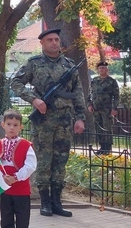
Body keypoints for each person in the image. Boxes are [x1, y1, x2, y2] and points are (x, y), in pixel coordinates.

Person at [10, 28, 86, 217]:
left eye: (57, 39)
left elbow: (78, 93)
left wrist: (80, 118)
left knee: (61, 160)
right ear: (42, 43)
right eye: (50, 40)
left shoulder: (69, 65)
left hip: (65, 121)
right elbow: (15, 82)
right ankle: (45, 202)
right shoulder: (34, 64)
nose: (54, 42)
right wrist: (33, 99)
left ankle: (56, 202)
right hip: (43, 121)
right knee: (44, 160)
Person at [0, 109, 37, 228]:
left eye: (15, 125)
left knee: (22, 217)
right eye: (9, 124)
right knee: (6, 216)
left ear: (20, 127)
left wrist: (16, 177)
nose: (12, 127)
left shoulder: (26, 145)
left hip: (21, 188)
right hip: (6, 187)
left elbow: (30, 165)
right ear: (3, 125)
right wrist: (1, 177)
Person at [89, 61, 120, 155]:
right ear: (98, 70)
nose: (102, 69)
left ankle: (107, 148)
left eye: (103, 68)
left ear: (107, 70)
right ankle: (102, 147)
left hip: (107, 110)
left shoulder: (112, 81)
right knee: (98, 128)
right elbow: (90, 94)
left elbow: (116, 96)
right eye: (100, 68)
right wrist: (89, 105)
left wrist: (114, 108)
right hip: (96, 109)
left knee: (107, 128)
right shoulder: (94, 81)